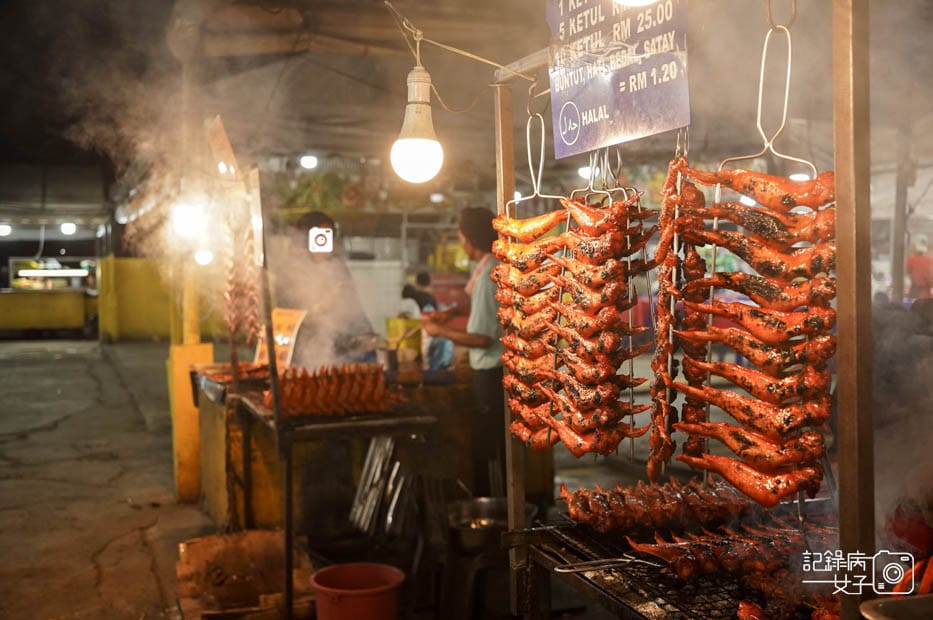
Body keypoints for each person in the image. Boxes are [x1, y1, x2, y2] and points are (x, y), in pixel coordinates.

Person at [422, 206, 505, 496]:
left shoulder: (485, 278)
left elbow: (483, 338)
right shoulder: (494, 265)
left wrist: (440, 332)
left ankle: (494, 511)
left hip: (491, 374)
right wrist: (455, 311)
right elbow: (490, 307)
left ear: (468, 240)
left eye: (459, 237)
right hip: (499, 371)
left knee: (488, 451)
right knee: (495, 445)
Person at [275, 211, 376, 368]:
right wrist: (320, 308)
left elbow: (354, 307)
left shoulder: (338, 267)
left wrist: (368, 336)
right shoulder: (288, 273)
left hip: (340, 355)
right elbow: (287, 320)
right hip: (303, 359)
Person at [906, 233, 933, 300]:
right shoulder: (930, 259)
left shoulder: (911, 260)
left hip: (916, 292)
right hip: (926, 293)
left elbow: (908, 273)